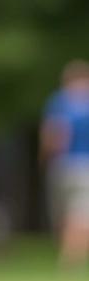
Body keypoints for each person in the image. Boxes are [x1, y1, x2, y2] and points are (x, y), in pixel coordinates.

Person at [41, 60, 89, 267]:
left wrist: (44, 159)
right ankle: (70, 260)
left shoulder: (58, 102)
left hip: (62, 165)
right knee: (79, 215)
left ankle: (71, 255)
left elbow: (52, 136)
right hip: (82, 165)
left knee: (69, 213)